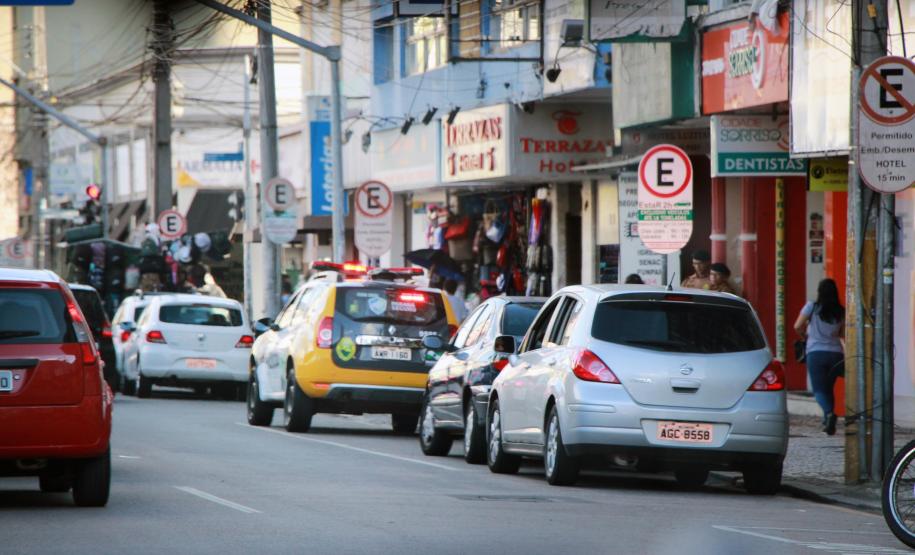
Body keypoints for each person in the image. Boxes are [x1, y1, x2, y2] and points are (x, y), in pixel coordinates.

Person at [794, 278, 845, 435]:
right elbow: (842, 334)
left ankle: (829, 414)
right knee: (828, 387)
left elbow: (797, 326)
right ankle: (827, 421)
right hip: (836, 354)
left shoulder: (812, 307)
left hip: (816, 353)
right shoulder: (841, 311)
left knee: (819, 390)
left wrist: (804, 336)